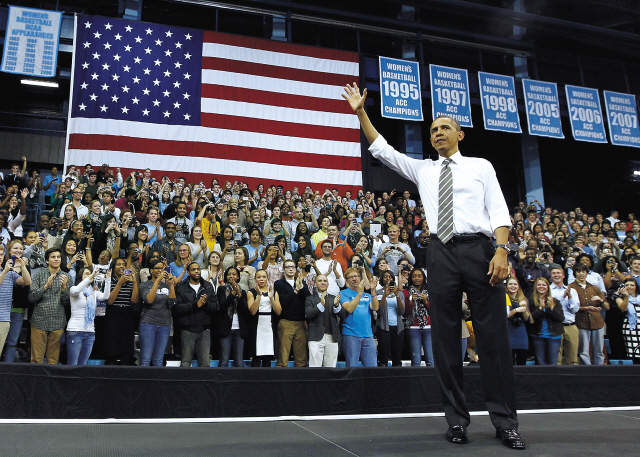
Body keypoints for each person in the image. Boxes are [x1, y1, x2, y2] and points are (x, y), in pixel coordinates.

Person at [343, 83, 524, 449]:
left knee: (492, 338)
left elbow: (500, 212)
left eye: (444, 128)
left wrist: (502, 251)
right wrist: (361, 113)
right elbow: (383, 150)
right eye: (433, 130)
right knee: (444, 340)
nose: (437, 133)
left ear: (460, 134)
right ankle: (456, 421)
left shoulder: (481, 167)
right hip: (440, 252)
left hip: (481, 250)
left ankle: (505, 422)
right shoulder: (424, 170)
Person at [28, 248, 71, 364]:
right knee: (36, 360)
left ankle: (49, 382)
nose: (56, 259)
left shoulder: (67, 277)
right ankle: (35, 382)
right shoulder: (38, 276)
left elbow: (66, 302)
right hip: (39, 320)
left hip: (57, 321)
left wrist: (64, 289)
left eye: (58, 257)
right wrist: (46, 286)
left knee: (53, 360)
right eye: (53, 257)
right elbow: (31, 298)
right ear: (47, 260)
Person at [174, 262, 218, 367]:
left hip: (204, 330)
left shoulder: (207, 286)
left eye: (198, 269)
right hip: (187, 330)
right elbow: (177, 309)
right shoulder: (181, 287)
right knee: (185, 362)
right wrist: (195, 305)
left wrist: (205, 303)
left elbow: (215, 307)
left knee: (205, 364)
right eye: (193, 269)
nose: (197, 271)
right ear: (188, 273)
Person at [67, 267, 111, 365]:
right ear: (80, 276)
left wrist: (108, 279)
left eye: (90, 273)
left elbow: (105, 296)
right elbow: (77, 290)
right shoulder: (74, 289)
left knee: (83, 365)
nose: (90, 275)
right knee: (73, 364)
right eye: (86, 274)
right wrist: (91, 276)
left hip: (90, 332)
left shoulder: (93, 292)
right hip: (75, 330)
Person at [138, 260, 177, 366]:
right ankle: (144, 382)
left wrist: (171, 285)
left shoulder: (167, 286)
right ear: (151, 271)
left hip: (164, 324)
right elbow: (149, 300)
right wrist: (157, 281)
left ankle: (156, 382)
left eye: (162, 268)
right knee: (146, 359)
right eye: (157, 268)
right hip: (148, 323)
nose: (160, 270)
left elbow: (172, 303)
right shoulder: (144, 285)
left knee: (158, 360)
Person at [569, 264, 609, 365]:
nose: (581, 274)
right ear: (575, 273)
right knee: (584, 351)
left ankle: (599, 372)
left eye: (583, 271)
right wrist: (585, 308)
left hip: (597, 321)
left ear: (587, 273)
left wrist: (600, 300)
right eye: (578, 271)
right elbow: (570, 307)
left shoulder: (595, 288)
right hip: (581, 321)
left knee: (599, 351)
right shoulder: (571, 288)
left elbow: (607, 307)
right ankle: (586, 372)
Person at [340, 267, 379, 367]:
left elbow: (375, 307)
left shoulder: (367, 295)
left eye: (356, 276)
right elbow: (349, 308)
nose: (354, 279)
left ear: (360, 278)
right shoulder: (343, 293)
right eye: (351, 277)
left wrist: (373, 291)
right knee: (352, 367)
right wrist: (359, 293)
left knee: (372, 367)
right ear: (347, 280)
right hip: (351, 334)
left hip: (368, 334)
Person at [274, 259, 309, 367]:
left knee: (301, 357)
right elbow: (283, 301)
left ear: (295, 269)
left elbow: (307, 298)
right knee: (283, 357)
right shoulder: (279, 283)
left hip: (301, 322)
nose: (290, 269)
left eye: (292, 267)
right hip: (286, 322)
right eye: (288, 267)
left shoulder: (301, 282)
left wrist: (301, 287)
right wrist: (296, 291)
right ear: (283, 270)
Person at [104, 258, 139, 365]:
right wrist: (120, 282)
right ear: (113, 267)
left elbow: (134, 300)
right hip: (113, 313)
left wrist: (134, 282)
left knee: (126, 346)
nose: (121, 266)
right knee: (112, 344)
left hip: (127, 313)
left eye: (123, 265)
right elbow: (110, 301)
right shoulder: (109, 280)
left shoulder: (129, 282)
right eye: (118, 264)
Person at [305, 274, 345, 367]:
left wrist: (336, 305)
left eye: (325, 281)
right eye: (320, 281)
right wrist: (320, 305)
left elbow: (343, 315)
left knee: (331, 367)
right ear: (315, 284)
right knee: (314, 366)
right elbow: (309, 315)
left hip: (332, 336)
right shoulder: (310, 298)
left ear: (328, 284)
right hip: (316, 337)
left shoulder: (334, 298)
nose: (322, 283)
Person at [0, 242, 31, 354]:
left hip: (5, 317)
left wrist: (23, 266)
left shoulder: (10, 273)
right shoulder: (6, 271)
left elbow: (27, 282)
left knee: (8, 345)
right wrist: (5, 271)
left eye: (1, 255)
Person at [215, 266, 249, 367]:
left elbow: (244, 310)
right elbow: (222, 306)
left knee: (239, 361)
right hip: (226, 329)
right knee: (224, 361)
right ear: (226, 276)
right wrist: (233, 292)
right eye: (229, 274)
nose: (231, 276)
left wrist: (238, 293)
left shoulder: (242, 291)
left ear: (238, 277)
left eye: (234, 274)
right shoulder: (221, 289)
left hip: (239, 329)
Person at [247, 269, 281, 367]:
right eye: (258, 277)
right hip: (256, 325)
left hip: (269, 325)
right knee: (256, 356)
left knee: (267, 356)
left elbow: (278, 311)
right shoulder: (251, 292)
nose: (261, 279)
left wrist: (271, 298)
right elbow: (252, 311)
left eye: (263, 277)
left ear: (267, 279)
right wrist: (259, 295)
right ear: (255, 279)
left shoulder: (274, 292)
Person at [549, 265, 580, 365]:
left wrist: (569, 297)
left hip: (570, 326)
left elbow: (575, 310)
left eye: (558, 273)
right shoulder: (548, 290)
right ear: (551, 276)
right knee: (556, 359)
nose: (556, 275)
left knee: (573, 359)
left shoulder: (572, 290)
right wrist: (562, 298)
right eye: (554, 273)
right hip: (555, 326)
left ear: (563, 275)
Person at [528, 278, 564, 365]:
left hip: (553, 336)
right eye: (539, 285)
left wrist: (552, 308)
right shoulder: (531, 301)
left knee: (552, 363)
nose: (541, 287)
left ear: (548, 287)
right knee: (540, 363)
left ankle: (552, 379)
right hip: (537, 336)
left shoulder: (555, 301)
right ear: (535, 287)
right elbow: (530, 319)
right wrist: (541, 308)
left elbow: (561, 318)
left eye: (544, 285)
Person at [403, 268, 433, 366]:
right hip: (413, 328)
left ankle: (431, 380)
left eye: (419, 276)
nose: (417, 278)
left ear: (423, 278)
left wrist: (426, 301)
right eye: (414, 276)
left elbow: (434, 312)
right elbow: (405, 313)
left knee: (430, 359)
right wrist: (411, 302)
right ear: (411, 278)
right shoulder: (406, 292)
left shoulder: (430, 291)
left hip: (428, 327)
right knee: (416, 360)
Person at [376, 270, 405, 367]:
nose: (388, 278)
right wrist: (385, 295)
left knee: (397, 357)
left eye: (390, 276)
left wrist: (397, 295)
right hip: (384, 328)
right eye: (385, 276)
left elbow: (401, 311)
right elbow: (380, 311)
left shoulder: (400, 293)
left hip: (398, 328)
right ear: (382, 279)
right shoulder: (378, 292)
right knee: (383, 356)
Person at [505, 277, 530, 366]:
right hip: (508, 330)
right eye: (510, 284)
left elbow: (527, 318)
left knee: (522, 361)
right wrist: (516, 310)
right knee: (509, 362)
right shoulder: (504, 298)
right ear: (506, 286)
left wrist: (525, 309)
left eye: (515, 284)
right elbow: (503, 316)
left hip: (521, 332)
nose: (513, 286)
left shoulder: (523, 299)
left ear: (518, 286)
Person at [619, 278, 640, 363]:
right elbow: (624, 308)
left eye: (632, 285)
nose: (629, 287)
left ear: (636, 287)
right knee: (634, 353)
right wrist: (626, 297)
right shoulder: (619, 299)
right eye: (627, 285)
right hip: (631, 329)